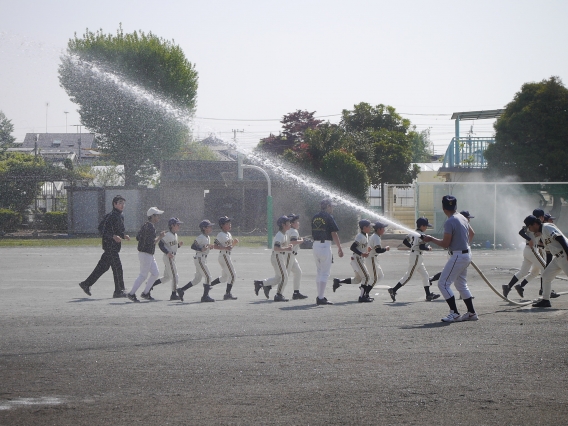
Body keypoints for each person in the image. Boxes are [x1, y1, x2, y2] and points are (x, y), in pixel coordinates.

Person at [423, 195, 477, 322]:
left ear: (443, 207)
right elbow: (472, 233)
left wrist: (431, 239)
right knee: (461, 284)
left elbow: (445, 244)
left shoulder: (450, 221)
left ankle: (454, 313)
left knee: (443, 283)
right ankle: (471, 313)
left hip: (458, 255)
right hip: (466, 253)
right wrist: (465, 244)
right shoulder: (462, 217)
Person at [79, 195, 130, 298]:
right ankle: (119, 291)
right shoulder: (111, 216)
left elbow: (119, 231)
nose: (122, 205)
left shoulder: (120, 216)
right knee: (117, 268)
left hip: (114, 247)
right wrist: (112, 236)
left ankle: (86, 284)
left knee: (102, 267)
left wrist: (124, 236)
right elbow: (101, 229)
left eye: (123, 203)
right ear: (114, 204)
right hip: (110, 247)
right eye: (120, 203)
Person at [388, 217, 439, 302]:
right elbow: (421, 246)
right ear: (422, 226)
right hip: (416, 257)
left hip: (416, 256)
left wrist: (412, 247)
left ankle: (428, 295)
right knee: (408, 276)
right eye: (426, 226)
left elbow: (405, 241)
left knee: (425, 275)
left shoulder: (413, 233)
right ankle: (394, 290)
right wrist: (428, 248)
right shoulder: (422, 235)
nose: (426, 227)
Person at [524, 215, 568, 308]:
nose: (529, 229)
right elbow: (548, 253)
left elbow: (560, 238)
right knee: (546, 275)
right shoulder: (542, 234)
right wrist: (548, 267)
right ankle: (546, 300)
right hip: (558, 258)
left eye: (529, 226)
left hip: (564, 255)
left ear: (535, 224)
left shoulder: (547, 227)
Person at [502, 214, 546, 299]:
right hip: (531, 250)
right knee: (545, 267)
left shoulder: (538, 225)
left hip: (530, 250)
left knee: (525, 272)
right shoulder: (530, 225)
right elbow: (520, 232)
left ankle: (508, 287)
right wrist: (529, 239)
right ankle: (545, 290)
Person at [177, 220, 221, 303]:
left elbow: (205, 247)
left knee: (197, 279)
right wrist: (201, 249)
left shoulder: (207, 237)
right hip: (200, 259)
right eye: (209, 226)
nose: (211, 228)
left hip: (202, 258)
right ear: (204, 228)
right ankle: (205, 296)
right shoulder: (201, 237)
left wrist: (208, 247)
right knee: (208, 277)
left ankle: (181, 290)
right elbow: (193, 246)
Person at [127, 207, 166, 302]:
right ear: (152, 216)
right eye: (157, 215)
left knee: (155, 273)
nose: (158, 217)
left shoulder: (145, 225)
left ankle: (145, 293)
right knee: (143, 275)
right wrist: (160, 237)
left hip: (146, 254)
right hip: (146, 254)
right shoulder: (151, 227)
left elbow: (137, 237)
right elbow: (153, 242)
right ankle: (131, 294)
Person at [333, 219, 374, 303]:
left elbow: (361, 247)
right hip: (357, 259)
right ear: (364, 227)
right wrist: (361, 254)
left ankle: (338, 281)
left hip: (358, 259)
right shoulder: (360, 236)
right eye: (369, 226)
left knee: (357, 279)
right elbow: (352, 247)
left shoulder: (365, 235)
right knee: (366, 277)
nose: (370, 228)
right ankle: (362, 297)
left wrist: (365, 252)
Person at [311, 199, 344, 305]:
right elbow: (334, 233)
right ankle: (320, 297)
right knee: (325, 272)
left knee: (319, 271)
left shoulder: (315, 216)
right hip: (325, 246)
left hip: (315, 245)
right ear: (328, 207)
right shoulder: (329, 217)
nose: (332, 208)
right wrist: (339, 247)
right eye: (331, 206)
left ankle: (320, 295)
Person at [254, 215, 294, 301]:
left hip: (279, 257)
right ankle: (278, 295)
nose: (290, 224)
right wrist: (287, 248)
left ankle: (261, 283)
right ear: (283, 225)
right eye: (288, 223)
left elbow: (282, 246)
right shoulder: (279, 235)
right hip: (277, 257)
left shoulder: (285, 234)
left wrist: (288, 246)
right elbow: (276, 248)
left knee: (278, 278)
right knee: (285, 277)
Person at [150, 217, 184, 301]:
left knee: (167, 277)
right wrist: (167, 252)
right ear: (172, 225)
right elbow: (161, 244)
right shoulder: (168, 235)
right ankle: (173, 294)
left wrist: (178, 245)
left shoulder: (175, 235)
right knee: (175, 276)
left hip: (171, 257)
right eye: (177, 224)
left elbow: (172, 246)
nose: (179, 226)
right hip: (168, 257)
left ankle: (150, 285)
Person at [213, 216, 239, 301]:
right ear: (222, 225)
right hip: (224, 256)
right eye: (227, 223)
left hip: (226, 256)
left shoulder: (228, 234)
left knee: (224, 278)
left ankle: (208, 285)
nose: (230, 225)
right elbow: (215, 246)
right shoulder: (220, 235)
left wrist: (234, 244)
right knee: (233, 275)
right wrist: (225, 248)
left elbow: (229, 247)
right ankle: (227, 294)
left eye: (229, 223)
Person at [285, 213, 307, 300]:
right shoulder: (294, 231)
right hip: (289, 255)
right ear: (292, 224)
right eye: (296, 222)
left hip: (291, 256)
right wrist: (301, 241)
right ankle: (264, 284)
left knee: (298, 272)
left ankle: (296, 292)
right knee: (283, 276)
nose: (298, 223)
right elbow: (293, 241)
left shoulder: (287, 230)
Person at [366, 221, 390, 296]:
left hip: (374, 258)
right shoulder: (376, 237)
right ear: (379, 229)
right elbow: (378, 250)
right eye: (383, 228)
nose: (384, 230)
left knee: (380, 276)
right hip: (372, 258)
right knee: (374, 278)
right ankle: (365, 292)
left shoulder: (375, 236)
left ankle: (365, 288)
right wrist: (386, 249)